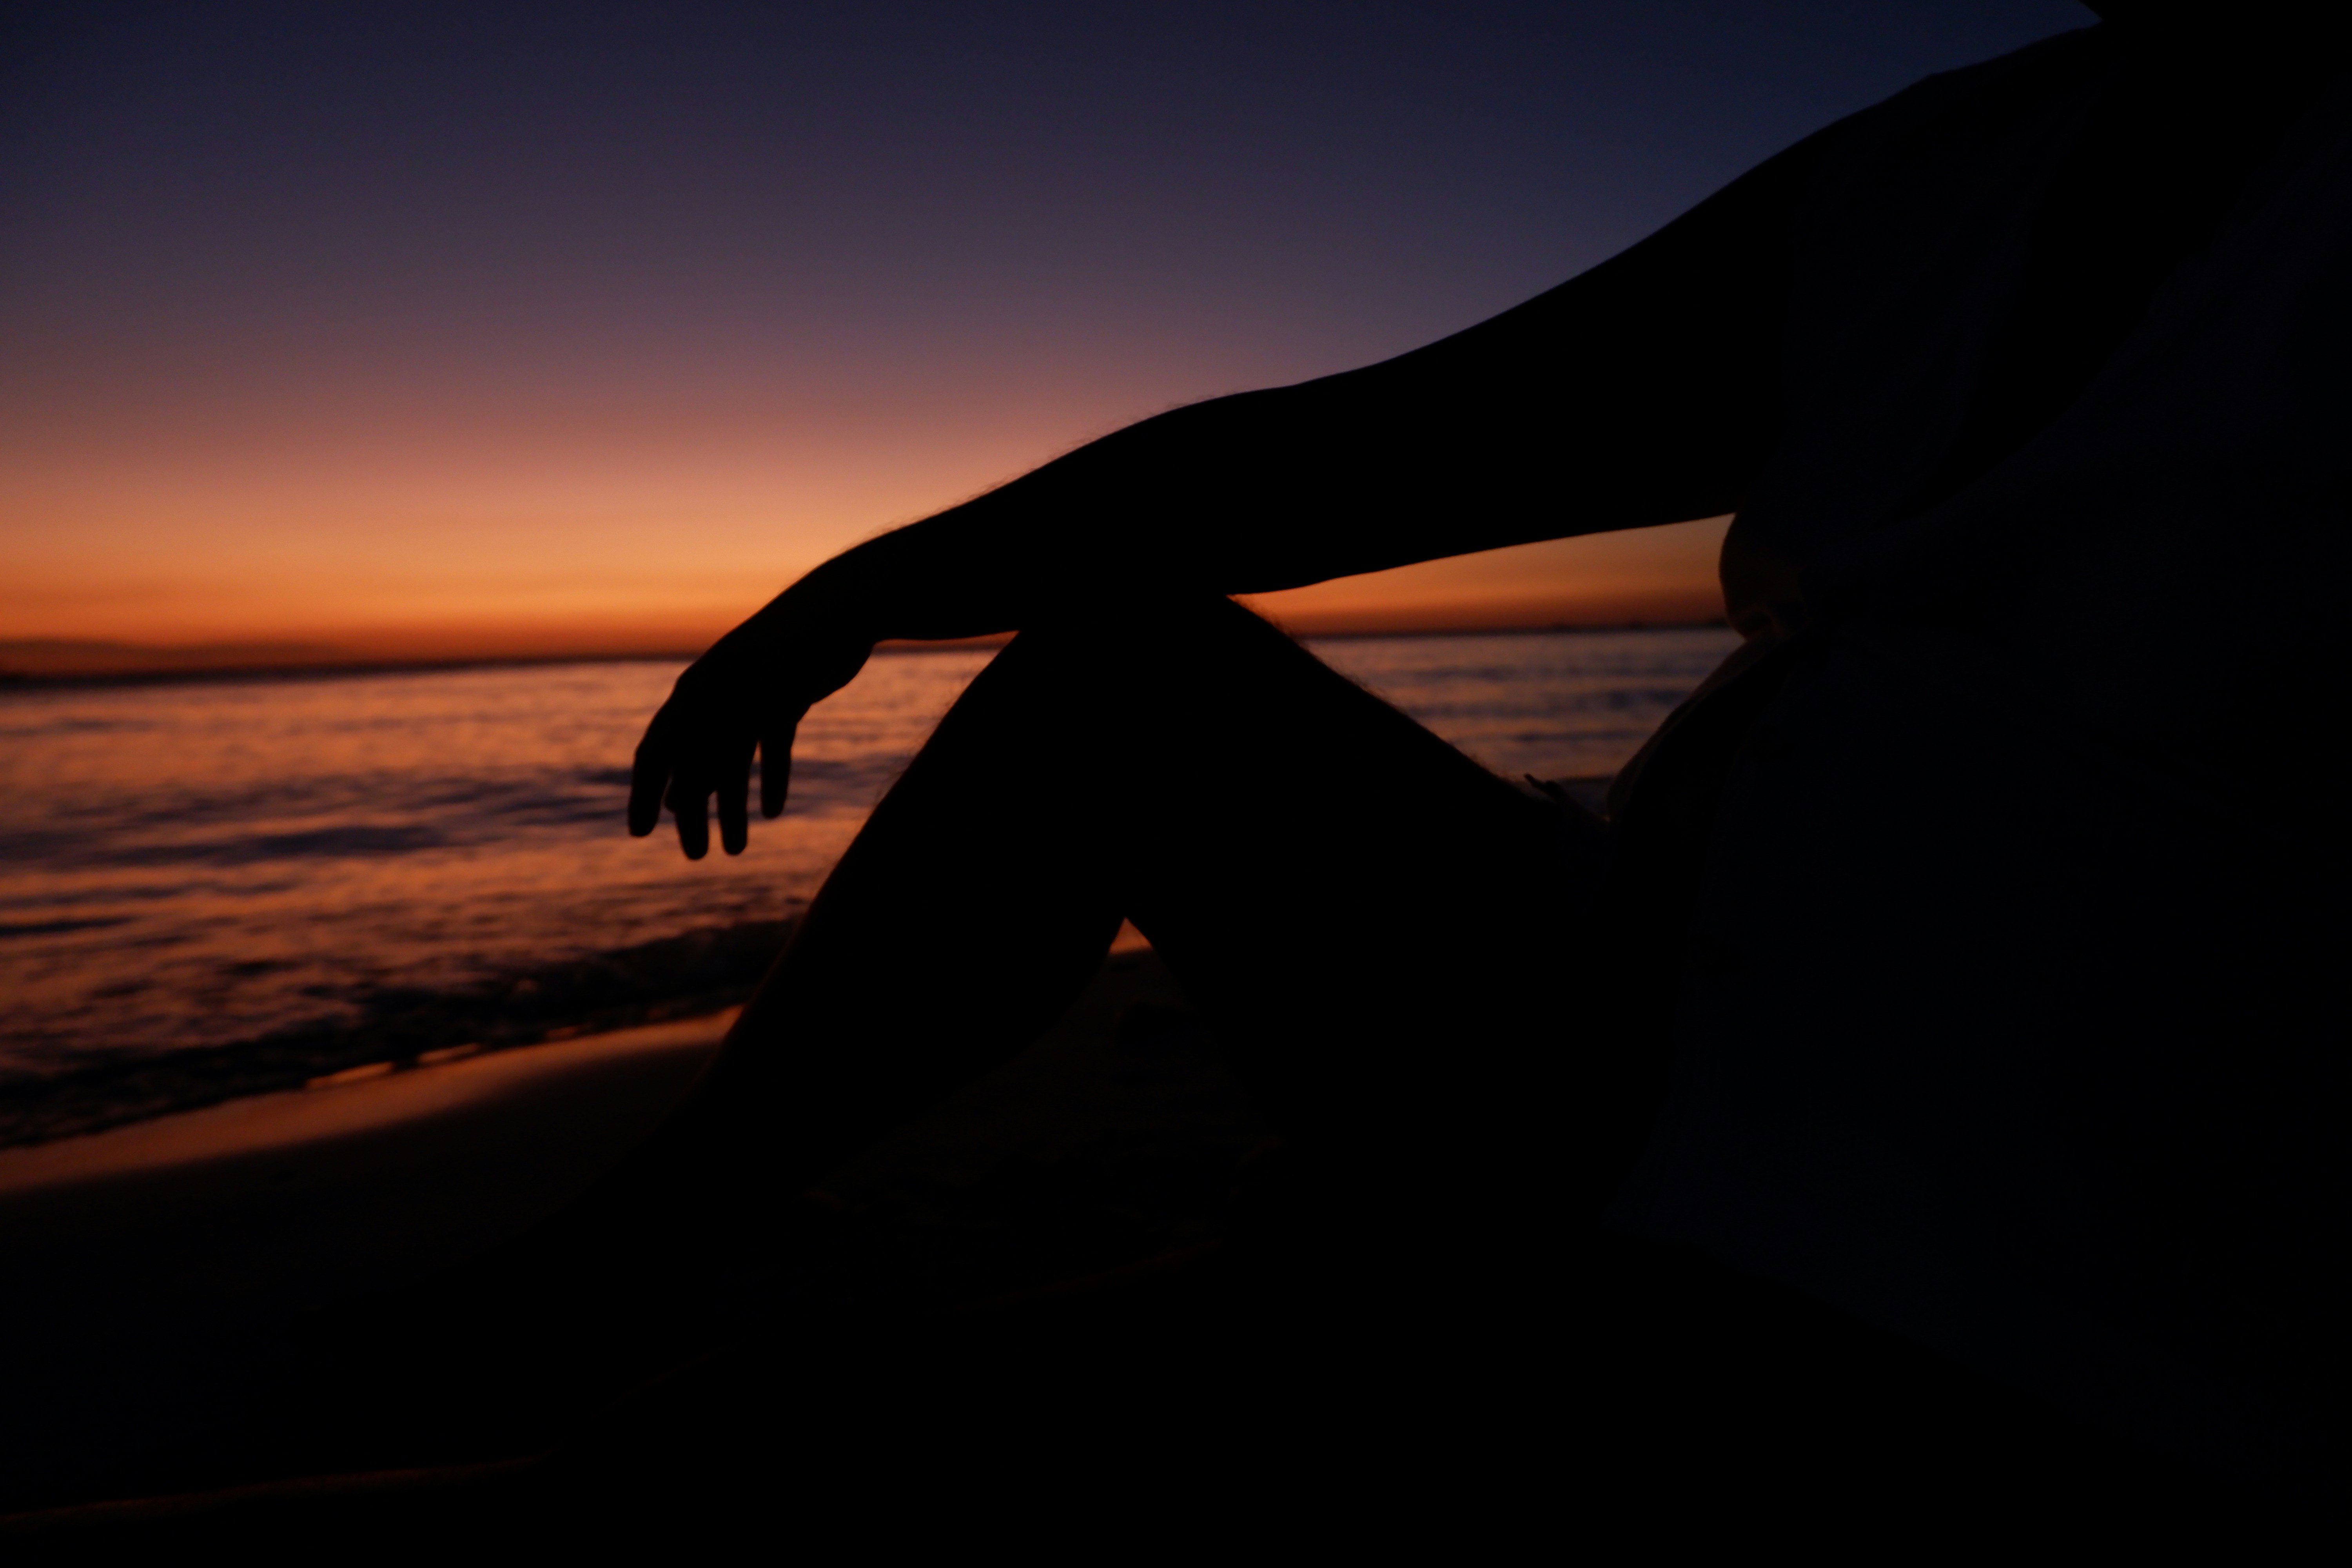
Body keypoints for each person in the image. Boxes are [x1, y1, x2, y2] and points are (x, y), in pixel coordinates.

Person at [624, 2, 2351, 1484]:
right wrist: (861, 587)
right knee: (1126, 678)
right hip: (1658, 1003)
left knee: (772, 1442)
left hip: (2076, 1198)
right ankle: (629, 1250)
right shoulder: (1968, 154)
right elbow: (1375, 447)